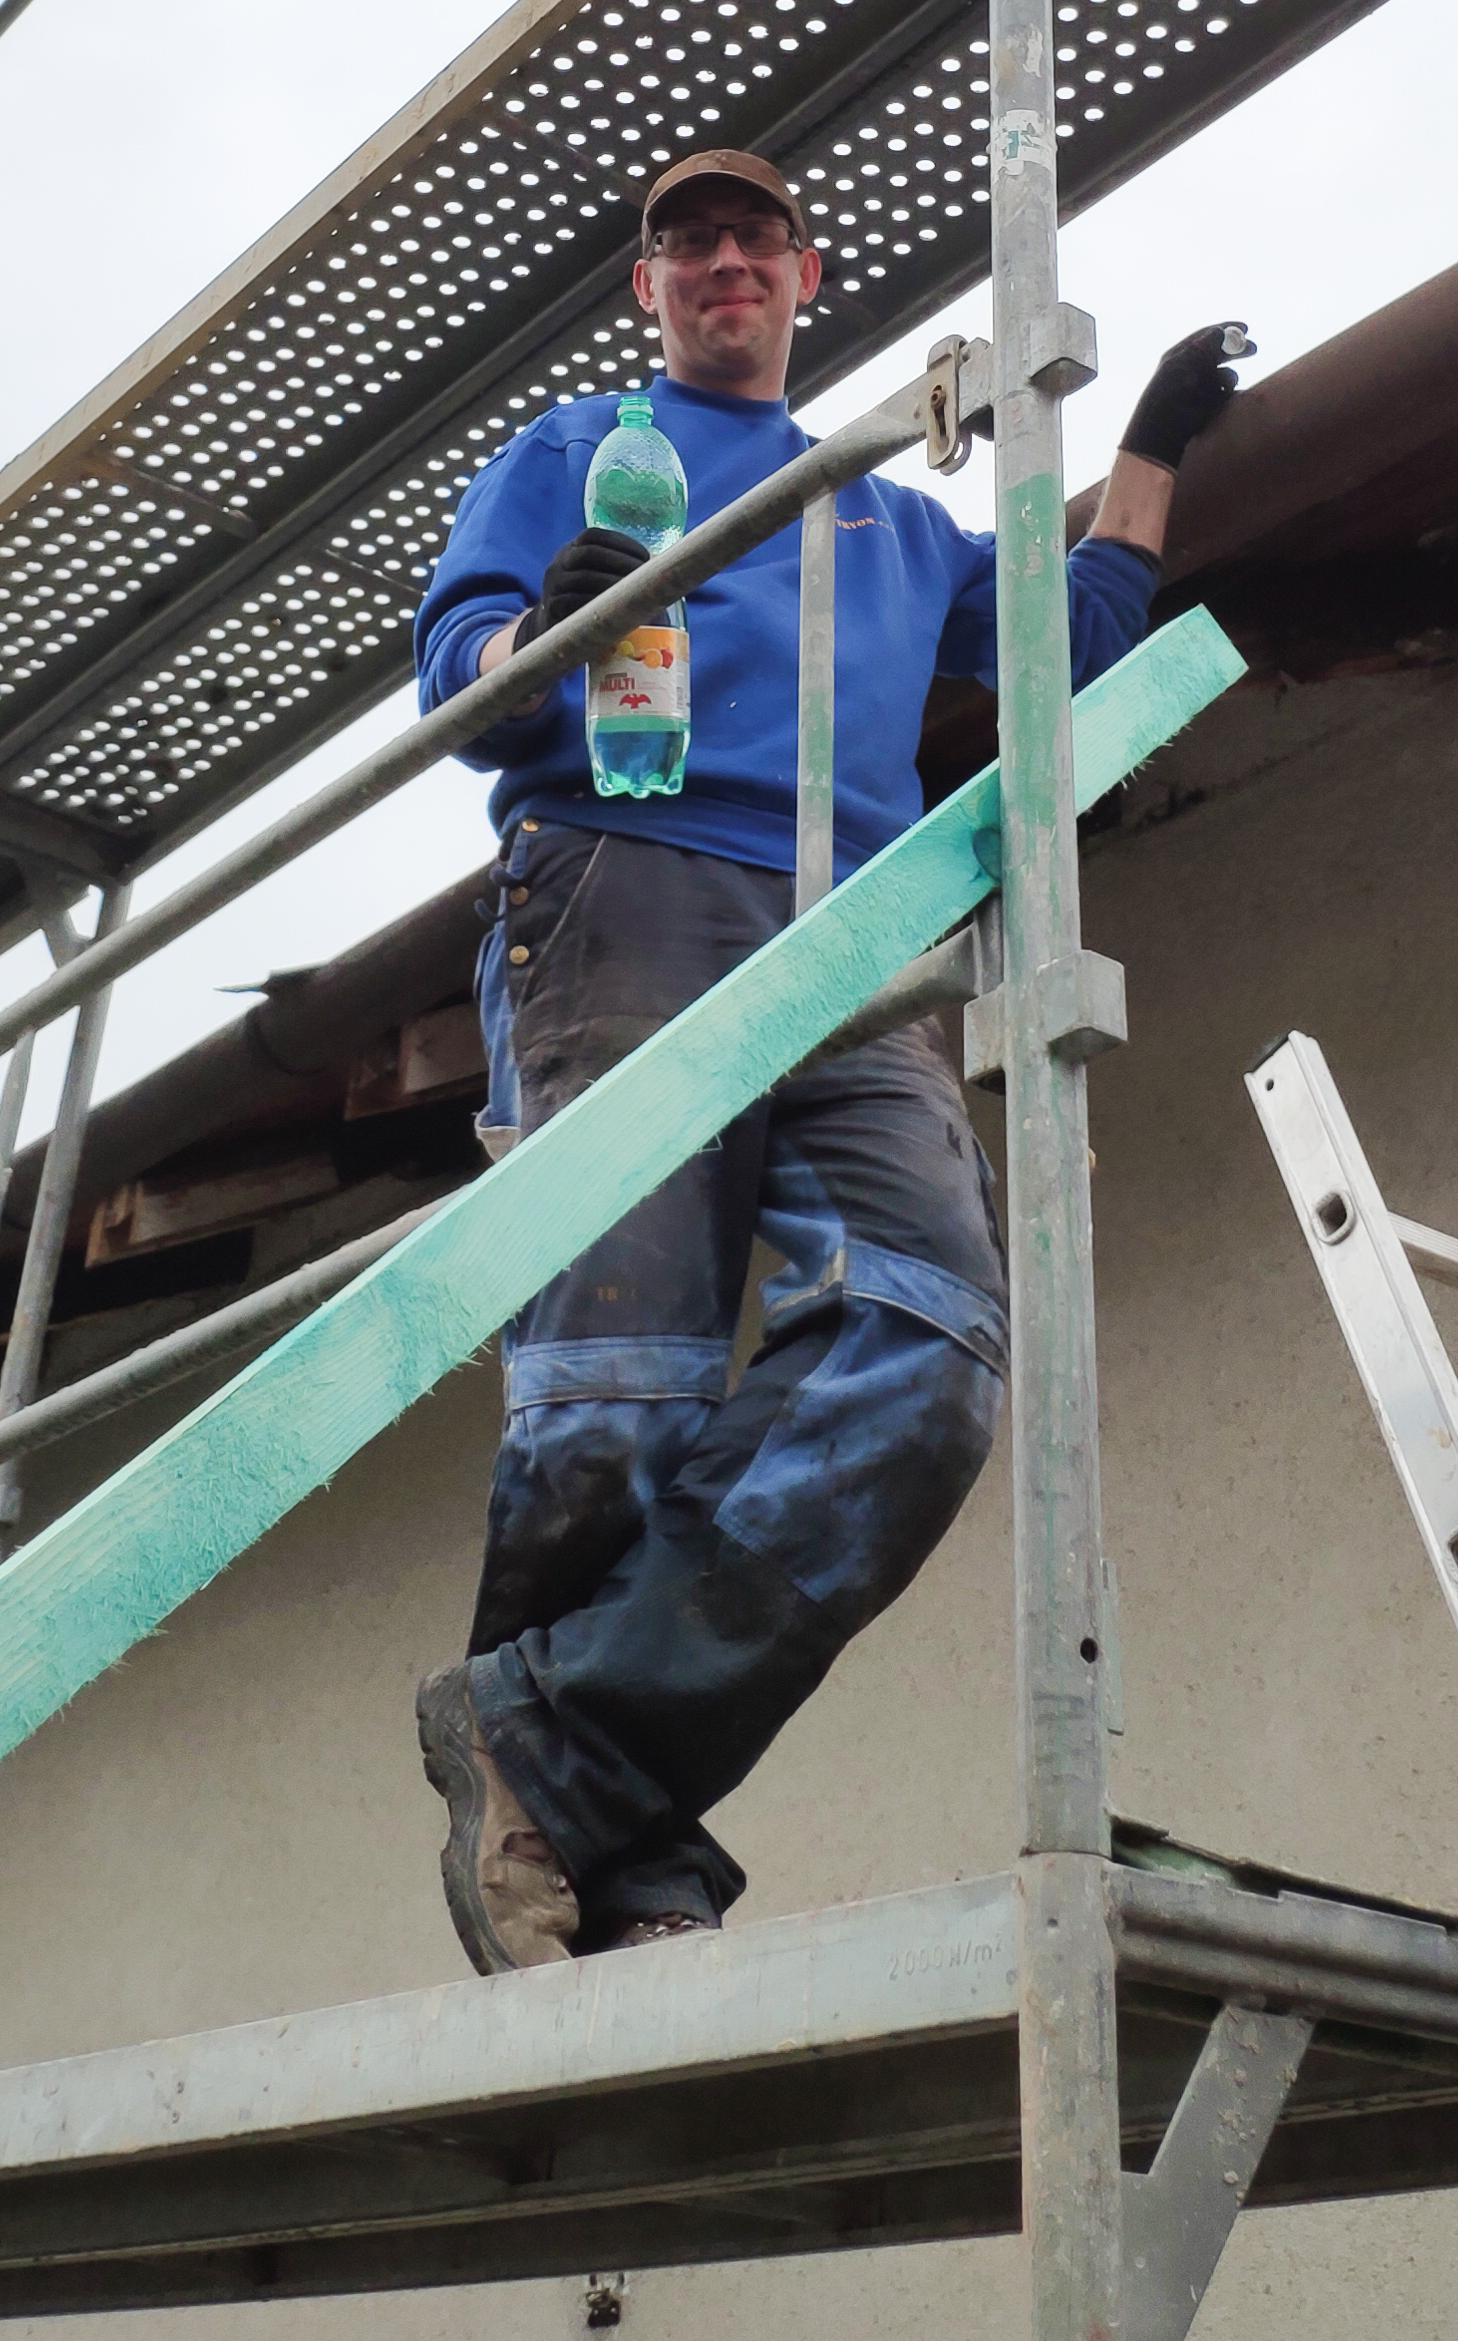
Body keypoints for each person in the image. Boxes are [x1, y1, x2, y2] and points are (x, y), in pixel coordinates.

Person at [412, 147, 1250, 1976]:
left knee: (931, 1346)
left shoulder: (880, 510)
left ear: (805, 275)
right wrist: (554, 630)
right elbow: (459, 679)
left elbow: (1068, 644)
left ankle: (556, 1755)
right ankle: (618, 1847)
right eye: (686, 243)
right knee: (620, 1391)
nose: (722, 261)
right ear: (650, 289)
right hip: (628, 877)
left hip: (852, 938)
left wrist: (1151, 452)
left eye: (754, 238)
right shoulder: (581, 449)